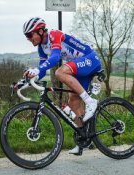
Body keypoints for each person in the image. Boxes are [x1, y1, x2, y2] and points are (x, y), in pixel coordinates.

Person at [22, 17, 102, 155]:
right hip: (79, 67)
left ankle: (91, 102)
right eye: (26, 36)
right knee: (73, 102)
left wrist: (37, 70)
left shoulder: (55, 35)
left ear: (41, 31)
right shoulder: (42, 48)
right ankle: (84, 140)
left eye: (30, 35)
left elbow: (54, 58)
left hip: (89, 58)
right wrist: (27, 80)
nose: (28, 39)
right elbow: (42, 70)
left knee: (60, 72)